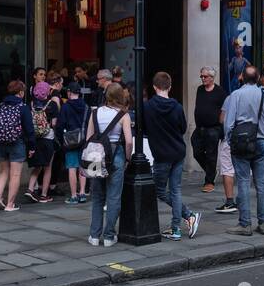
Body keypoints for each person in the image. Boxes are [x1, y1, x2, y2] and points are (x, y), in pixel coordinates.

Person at [222, 65, 264, 235]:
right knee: (261, 184)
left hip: (240, 143)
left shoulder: (236, 95)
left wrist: (230, 140)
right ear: (257, 78)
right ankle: (263, 223)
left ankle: (245, 224)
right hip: (261, 142)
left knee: (243, 182)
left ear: (242, 78)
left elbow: (229, 124)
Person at [146, 71, 200, 240]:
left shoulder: (147, 107)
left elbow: (144, 128)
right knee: (175, 190)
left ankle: (185, 218)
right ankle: (177, 226)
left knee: (159, 190)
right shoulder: (176, 107)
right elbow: (183, 128)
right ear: (169, 87)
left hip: (161, 154)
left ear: (154, 87)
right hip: (178, 152)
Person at [87, 83, 135, 247]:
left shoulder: (95, 113)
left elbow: (89, 137)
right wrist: (128, 159)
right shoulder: (124, 115)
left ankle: (94, 236)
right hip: (117, 155)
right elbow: (129, 142)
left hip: (96, 154)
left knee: (97, 197)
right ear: (120, 96)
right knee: (114, 197)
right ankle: (109, 236)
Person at [0, 79, 34, 212]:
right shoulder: (23, 107)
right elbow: (29, 129)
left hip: (0, 141)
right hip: (17, 142)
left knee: (3, 171)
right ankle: (10, 204)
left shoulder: (2, 105)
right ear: (21, 92)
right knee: (15, 174)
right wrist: (32, 146)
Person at [25, 78, 60, 203]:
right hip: (48, 138)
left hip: (34, 138)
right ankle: (44, 194)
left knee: (37, 165)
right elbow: (54, 123)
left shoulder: (30, 104)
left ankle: (30, 189)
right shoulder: (52, 104)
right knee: (48, 167)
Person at [192, 66, 225, 192]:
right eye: (201, 76)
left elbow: (225, 109)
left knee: (211, 154)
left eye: (205, 76)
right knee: (196, 152)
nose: (203, 78)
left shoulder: (220, 91)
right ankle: (211, 171)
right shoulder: (200, 89)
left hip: (213, 128)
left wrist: (222, 125)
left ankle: (209, 181)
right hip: (200, 127)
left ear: (212, 77)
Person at [59, 80, 90, 204]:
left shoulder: (66, 107)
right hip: (84, 141)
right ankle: (82, 193)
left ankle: (73, 195)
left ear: (69, 92)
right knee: (83, 167)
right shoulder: (86, 107)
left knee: (72, 167)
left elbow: (60, 125)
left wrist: (60, 139)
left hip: (70, 141)